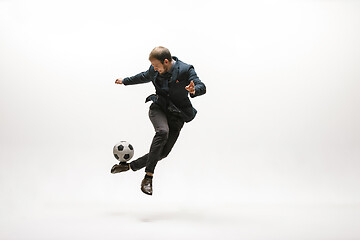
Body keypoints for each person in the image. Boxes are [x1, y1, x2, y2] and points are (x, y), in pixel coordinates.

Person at [111, 46, 206, 195]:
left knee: (162, 153)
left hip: (177, 115)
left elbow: (201, 85)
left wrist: (194, 90)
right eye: (153, 66)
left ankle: (128, 167)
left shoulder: (186, 70)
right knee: (162, 132)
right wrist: (125, 81)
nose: (154, 69)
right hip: (159, 108)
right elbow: (143, 76)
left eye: (157, 66)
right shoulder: (154, 69)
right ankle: (148, 177)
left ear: (166, 62)